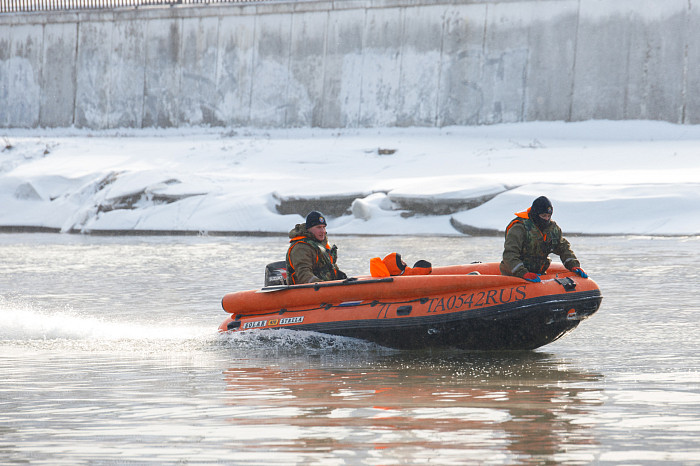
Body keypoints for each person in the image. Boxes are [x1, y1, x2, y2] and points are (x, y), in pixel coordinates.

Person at [500, 196, 588, 283]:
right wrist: (523, 273)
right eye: (543, 216)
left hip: (538, 275)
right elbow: (510, 254)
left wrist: (573, 265)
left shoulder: (553, 229)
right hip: (515, 277)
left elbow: (563, 248)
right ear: (535, 214)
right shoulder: (519, 228)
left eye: (549, 216)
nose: (546, 219)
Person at [286, 211, 347, 284]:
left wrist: (339, 276)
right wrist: (321, 285)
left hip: (326, 286)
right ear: (309, 229)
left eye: (324, 227)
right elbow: (303, 274)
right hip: (307, 290)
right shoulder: (301, 247)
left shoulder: (322, 244)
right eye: (318, 227)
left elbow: (329, 266)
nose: (322, 231)